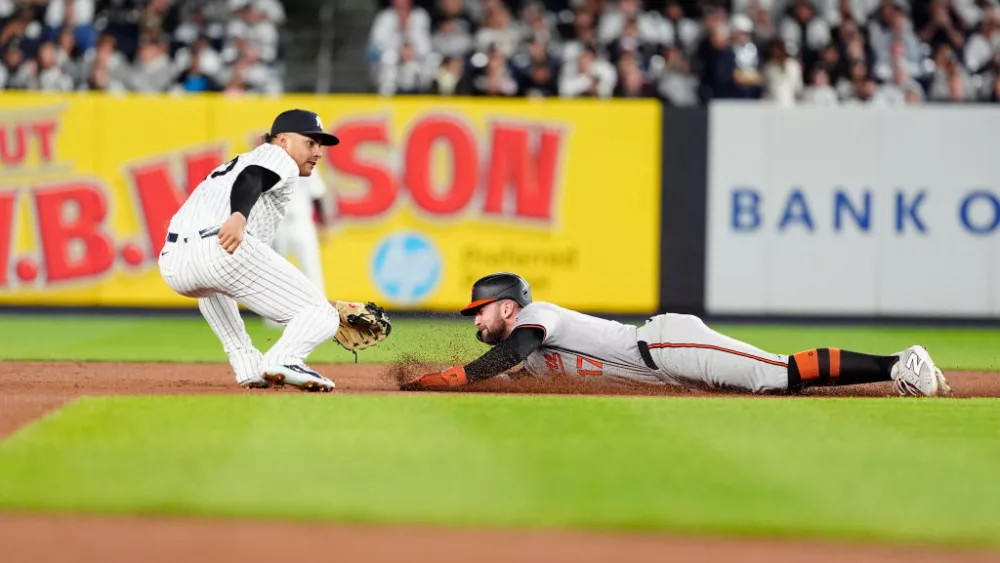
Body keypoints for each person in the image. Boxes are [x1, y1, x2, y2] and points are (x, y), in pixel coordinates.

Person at [399, 273, 952, 396]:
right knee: (771, 384)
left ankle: (900, 364)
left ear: (504, 306)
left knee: (776, 375)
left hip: (663, 344)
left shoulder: (538, 315)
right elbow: (516, 367)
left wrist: (458, 376)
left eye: (480, 312)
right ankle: (896, 366)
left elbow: (516, 348)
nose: (476, 322)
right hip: (665, 366)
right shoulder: (530, 353)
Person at [158, 109, 348, 392]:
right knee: (323, 315)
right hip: (221, 246)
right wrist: (238, 216)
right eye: (310, 142)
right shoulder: (276, 156)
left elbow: (246, 176)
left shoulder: (238, 160)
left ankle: (247, 366)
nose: (318, 151)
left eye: (320, 144)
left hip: (174, 262)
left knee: (211, 287)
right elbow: (252, 178)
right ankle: (284, 359)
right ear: (283, 140)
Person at [263, 170, 330, 331]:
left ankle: (320, 315)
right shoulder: (273, 166)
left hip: (303, 222)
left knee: (311, 270)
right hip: (279, 223)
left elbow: (317, 195)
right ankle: (274, 317)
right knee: (276, 271)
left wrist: (323, 223)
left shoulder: (308, 166)